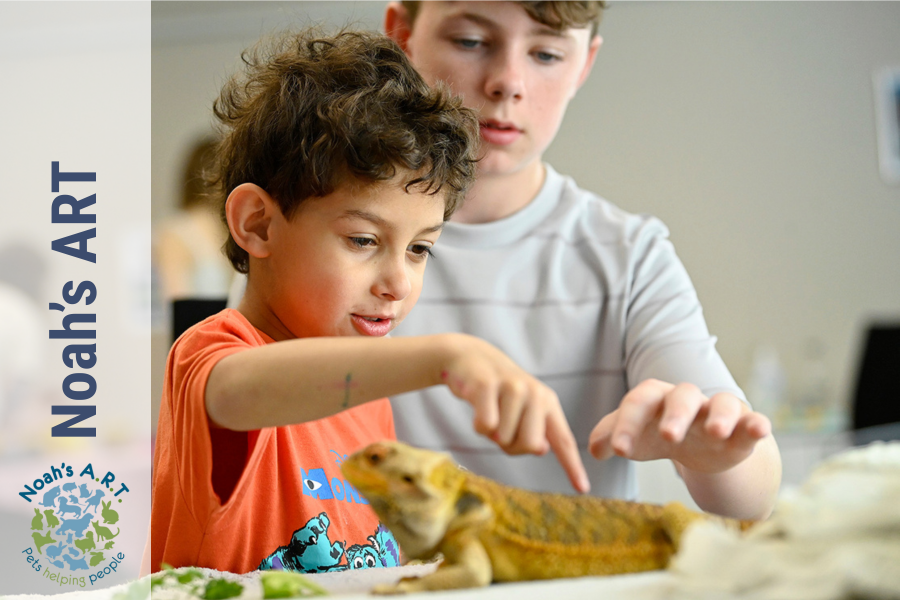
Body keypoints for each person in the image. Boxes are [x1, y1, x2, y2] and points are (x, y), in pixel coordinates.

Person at [150, 28, 589, 575]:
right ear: (258, 224)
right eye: (363, 240)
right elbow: (241, 392)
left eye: (419, 249)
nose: (398, 282)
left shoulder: (369, 402)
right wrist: (445, 357)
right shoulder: (210, 355)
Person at [384, 1, 782, 520]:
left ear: (584, 65)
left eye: (546, 54)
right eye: (471, 42)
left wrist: (718, 453)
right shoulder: (326, 230)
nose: (508, 83)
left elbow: (752, 493)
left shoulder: (629, 256)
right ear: (403, 35)